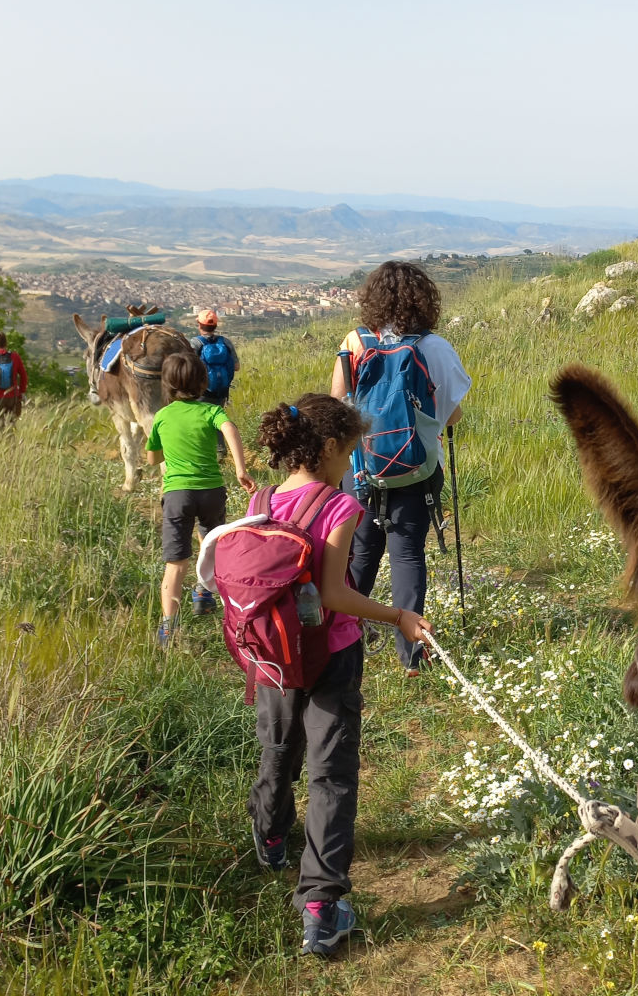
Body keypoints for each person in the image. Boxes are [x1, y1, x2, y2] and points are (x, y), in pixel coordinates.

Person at [220, 394, 433, 956]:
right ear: (331, 448)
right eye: (353, 449)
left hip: (270, 655)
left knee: (277, 748)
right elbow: (337, 594)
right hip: (330, 655)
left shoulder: (262, 498)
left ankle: (269, 835)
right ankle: (321, 904)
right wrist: (399, 616)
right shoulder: (341, 508)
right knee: (331, 774)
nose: (356, 460)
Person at [329, 261, 471, 677]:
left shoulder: (354, 341)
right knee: (407, 554)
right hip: (417, 468)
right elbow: (454, 415)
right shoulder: (434, 347)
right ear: (424, 300)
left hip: (361, 469)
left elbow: (338, 404)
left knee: (362, 550)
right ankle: (411, 657)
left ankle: (344, 632)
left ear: (371, 298)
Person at [145, 350, 254, 644]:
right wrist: (240, 469)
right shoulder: (211, 411)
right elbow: (229, 428)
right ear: (203, 381)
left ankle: (169, 627)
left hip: (178, 494)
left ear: (165, 384)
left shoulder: (163, 416)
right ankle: (204, 593)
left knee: (176, 562)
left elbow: (152, 457)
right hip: (211, 491)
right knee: (212, 545)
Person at [190, 310, 240, 407]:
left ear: (199, 325)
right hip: (221, 394)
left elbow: (188, 369)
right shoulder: (225, 342)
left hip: (200, 394)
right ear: (215, 326)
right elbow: (236, 367)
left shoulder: (195, 343)